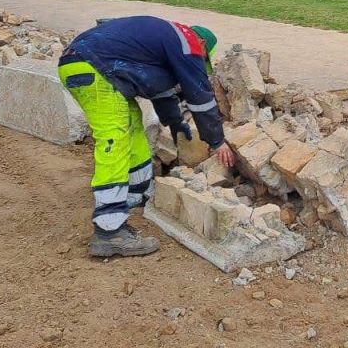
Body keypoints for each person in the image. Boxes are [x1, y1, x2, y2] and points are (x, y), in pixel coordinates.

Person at [57, 16, 235, 257]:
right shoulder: (189, 42)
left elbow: (160, 91)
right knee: (114, 140)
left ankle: (134, 195)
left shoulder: (162, 44)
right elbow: (199, 94)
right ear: (202, 44)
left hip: (90, 65)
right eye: (202, 60)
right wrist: (217, 141)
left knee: (133, 128)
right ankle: (109, 232)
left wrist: (174, 122)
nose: (198, 64)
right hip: (94, 68)